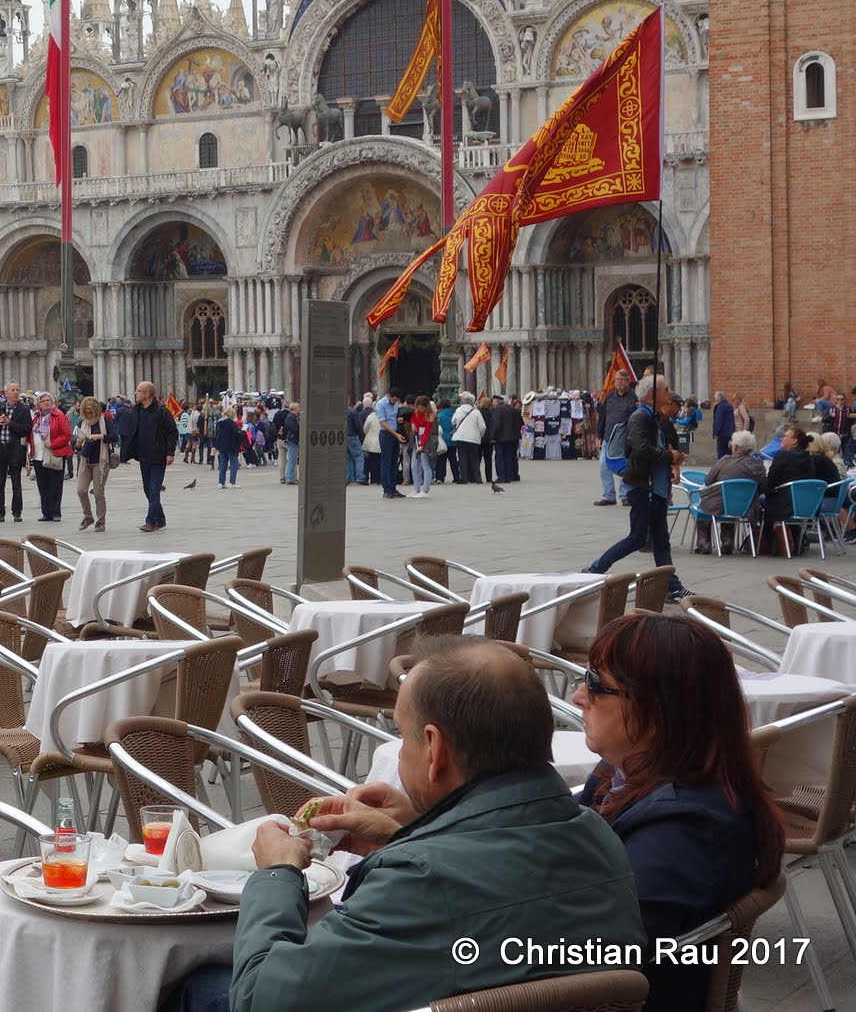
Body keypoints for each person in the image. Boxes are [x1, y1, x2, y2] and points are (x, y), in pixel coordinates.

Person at [167, 638, 643, 1012]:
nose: (402, 749)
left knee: (199, 988)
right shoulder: (595, 833)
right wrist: (415, 831)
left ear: (434, 748)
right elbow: (495, 891)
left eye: (403, 734)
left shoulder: (421, 880)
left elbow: (262, 1000)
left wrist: (278, 874)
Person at [570, 614, 785, 1011]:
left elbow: (603, 952)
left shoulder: (683, 826)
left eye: (597, 686)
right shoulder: (621, 773)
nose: (579, 696)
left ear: (659, 709)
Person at [585, 373, 689, 601]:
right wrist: (668, 456)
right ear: (652, 394)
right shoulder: (640, 417)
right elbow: (640, 449)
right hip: (644, 487)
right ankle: (595, 569)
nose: (669, 393)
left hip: (656, 488)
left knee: (661, 540)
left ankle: (672, 586)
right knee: (638, 538)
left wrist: (671, 459)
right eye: (665, 389)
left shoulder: (655, 417)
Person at [130, 382, 180, 533]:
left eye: (139, 391)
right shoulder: (137, 410)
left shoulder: (162, 411)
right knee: (147, 489)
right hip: (144, 456)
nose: (135, 393)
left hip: (158, 456)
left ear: (147, 394)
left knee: (154, 489)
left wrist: (170, 453)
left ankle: (150, 521)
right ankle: (161, 519)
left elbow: (172, 432)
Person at [0, 383, 33, 524]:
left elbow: (26, 428)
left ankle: (17, 512)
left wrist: (10, 423)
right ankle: (0, 513)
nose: (16, 392)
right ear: (6, 393)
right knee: (0, 483)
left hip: (15, 448)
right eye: (13, 390)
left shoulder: (23, 409)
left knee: (16, 482)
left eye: (17, 390)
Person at [28, 392, 73, 522]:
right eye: (43, 401)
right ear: (38, 405)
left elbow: (67, 434)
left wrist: (53, 443)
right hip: (38, 455)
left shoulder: (59, 415)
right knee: (42, 485)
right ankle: (46, 512)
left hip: (55, 453)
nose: (46, 402)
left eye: (48, 400)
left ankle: (55, 512)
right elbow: (31, 434)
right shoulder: (36, 418)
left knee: (55, 484)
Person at [595, 368, 637, 505]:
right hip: (608, 437)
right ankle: (608, 496)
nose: (619, 382)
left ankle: (625, 495)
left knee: (625, 467)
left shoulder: (634, 397)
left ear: (628, 381)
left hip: (625, 439)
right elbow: (603, 417)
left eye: (622, 380)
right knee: (604, 466)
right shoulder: (609, 396)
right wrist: (598, 435)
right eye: (617, 379)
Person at [73, 396, 110, 531]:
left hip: (100, 461)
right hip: (85, 461)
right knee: (81, 490)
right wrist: (78, 443)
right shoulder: (81, 423)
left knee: (98, 493)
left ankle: (101, 521)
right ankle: (88, 516)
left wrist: (100, 436)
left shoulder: (104, 421)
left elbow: (114, 436)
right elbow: (76, 447)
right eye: (86, 413)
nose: (89, 415)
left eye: (91, 412)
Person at [375, 386, 404, 499]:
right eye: (394, 400)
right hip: (386, 434)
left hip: (395, 433)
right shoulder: (381, 404)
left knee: (394, 462)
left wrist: (399, 420)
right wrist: (395, 434)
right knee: (386, 462)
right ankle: (386, 489)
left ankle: (393, 488)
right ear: (389, 396)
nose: (395, 402)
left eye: (397, 401)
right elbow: (382, 422)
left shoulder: (396, 403)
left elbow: (394, 417)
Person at [488, 393, 525, 482]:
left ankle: (501, 477)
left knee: (500, 458)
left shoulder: (498, 410)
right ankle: (508, 476)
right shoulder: (510, 409)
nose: (492, 403)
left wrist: (492, 436)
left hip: (500, 438)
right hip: (510, 437)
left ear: (497, 401)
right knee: (508, 457)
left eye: (493, 401)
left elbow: (496, 424)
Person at [409, 395, 435, 497]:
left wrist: (422, 445)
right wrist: (412, 424)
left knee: (425, 465)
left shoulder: (430, 415)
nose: (419, 409)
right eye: (418, 407)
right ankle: (416, 488)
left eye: (421, 407)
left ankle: (425, 490)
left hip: (426, 441)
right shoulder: (416, 412)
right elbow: (412, 420)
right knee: (414, 466)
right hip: (417, 439)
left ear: (425, 407)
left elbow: (427, 432)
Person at [212, 408, 244, 489]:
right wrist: (242, 433)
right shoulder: (231, 423)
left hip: (222, 446)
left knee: (223, 464)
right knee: (234, 463)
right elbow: (237, 434)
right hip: (231, 446)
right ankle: (232, 482)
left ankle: (221, 482)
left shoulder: (219, 423)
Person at [277, 401, 301, 486]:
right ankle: (290, 478)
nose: (300, 409)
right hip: (292, 440)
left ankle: (289, 477)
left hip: (290, 440)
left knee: (289, 459)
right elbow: (294, 429)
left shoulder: (293, 417)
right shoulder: (291, 417)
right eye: (299, 408)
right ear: (294, 409)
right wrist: (300, 436)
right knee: (291, 460)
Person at [711, 390, 735, 464]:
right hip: (730, 432)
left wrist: (716, 432)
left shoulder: (720, 407)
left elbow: (719, 421)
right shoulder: (729, 406)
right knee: (728, 453)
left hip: (722, 433)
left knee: (721, 454)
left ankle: (722, 468)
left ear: (718, 399)